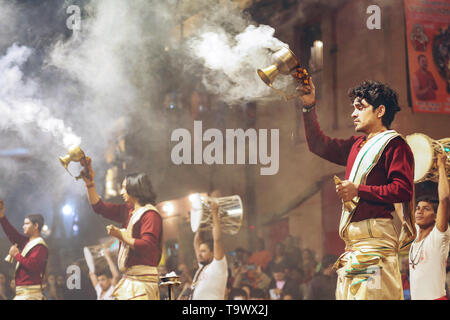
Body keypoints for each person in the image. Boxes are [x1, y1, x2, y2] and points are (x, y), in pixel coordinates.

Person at [297, 78, 415, 300]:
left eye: (360, 107)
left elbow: (403, 190)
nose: (353, 114)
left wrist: (359, 190)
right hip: (354, 247)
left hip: (375, 245)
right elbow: (317, 144)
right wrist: (308, 106)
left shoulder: (394, 144)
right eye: (354, 108)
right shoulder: (356, 145)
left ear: (380, 111)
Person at [81, 158, 163, 300]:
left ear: (135, 189)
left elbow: (147, 246)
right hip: (131, 280)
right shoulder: (128, 210)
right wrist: (90, 185)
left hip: (142, 282)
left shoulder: (150, 214)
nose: (121, 192)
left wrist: (120, 235)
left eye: (124, 188)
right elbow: (99, 207)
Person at [409, 153, 449, 300]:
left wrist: (441, 166)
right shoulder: (414, 234)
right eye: (418, 208)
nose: (419, 211)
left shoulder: (439, 236)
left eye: (426, 209)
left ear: (435, 216)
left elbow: (444, 200)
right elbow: (402, 207)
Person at [0, 199, 48, 300]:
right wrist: (2, 216)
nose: (23, 226)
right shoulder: (27, 242)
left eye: (26, 224)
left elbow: (33, 266)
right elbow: (12, 235)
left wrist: (17, 255)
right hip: (23, 294)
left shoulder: (40, 246)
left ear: (36, 226)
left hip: (31, 295)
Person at [190, 200, 228, 300]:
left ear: (212, 253)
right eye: (200, 250)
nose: (199, 254)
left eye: (203, 251)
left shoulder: (218, 266)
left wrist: (214, 212)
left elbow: (217, 239)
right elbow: (196, 241)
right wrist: (199, 220)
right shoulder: (202, 267)